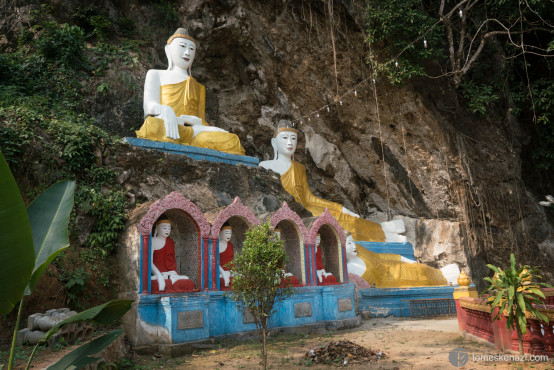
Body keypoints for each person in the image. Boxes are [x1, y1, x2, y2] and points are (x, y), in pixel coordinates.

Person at [259, 121, 405, 242]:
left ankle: (381, 230)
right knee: (338, 218)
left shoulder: (299, 168)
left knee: (342, 214)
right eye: (284, 138)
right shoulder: (265, 166)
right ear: (274, 142)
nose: (290, 142)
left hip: (309, 206)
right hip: (295, 210)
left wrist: (341, 207)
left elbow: (309, 198)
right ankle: (383, 233)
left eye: (293, 138)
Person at [136, 28, 245, 155]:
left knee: (232, 141)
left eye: (192, 49)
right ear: (168, 50)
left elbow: (201, 122)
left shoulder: (198, 87)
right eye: (182, 46)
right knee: (152, 126)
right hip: (168, 126)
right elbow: (149, 107)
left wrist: (198, 124)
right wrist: (165, 110)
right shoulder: (155, 74)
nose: (187, 53)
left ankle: (190, 138)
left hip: (193, 133)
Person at [344, 232, 447, 288]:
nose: (354, 246)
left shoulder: (360, 250)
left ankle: (444, 275)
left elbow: (380, 257)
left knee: (421, 268)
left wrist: (405, 259)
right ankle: (446, 278)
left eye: (353, 242)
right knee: (420, 277)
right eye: (349, 243)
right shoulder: (346, 271)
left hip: (393, 266)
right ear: (340, 247)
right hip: (390, 281)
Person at [151, 217, 195, 293]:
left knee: (189, 283)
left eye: (169, 228)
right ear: (157, 228)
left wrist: (173, 273)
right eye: (164, 228)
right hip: (158, 274)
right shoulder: (152, 241)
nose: (167, 230)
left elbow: (171, 262)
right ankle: (169, 280)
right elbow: (149, 263)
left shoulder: (170, 242)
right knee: (157, 284)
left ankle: (172, 279)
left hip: (171, 273)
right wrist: (159, 276)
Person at [218, 223, 234, 290]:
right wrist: (223, 273)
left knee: (242, 278)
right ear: (221, 233)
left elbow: (231, 261)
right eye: (226, 233)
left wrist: (233, 271)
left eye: (230, 233)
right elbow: (215, 262)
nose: (229, 235)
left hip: (231, 271)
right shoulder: (216, 245)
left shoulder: (230, 245)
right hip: (220, 271)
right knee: (222, 279)